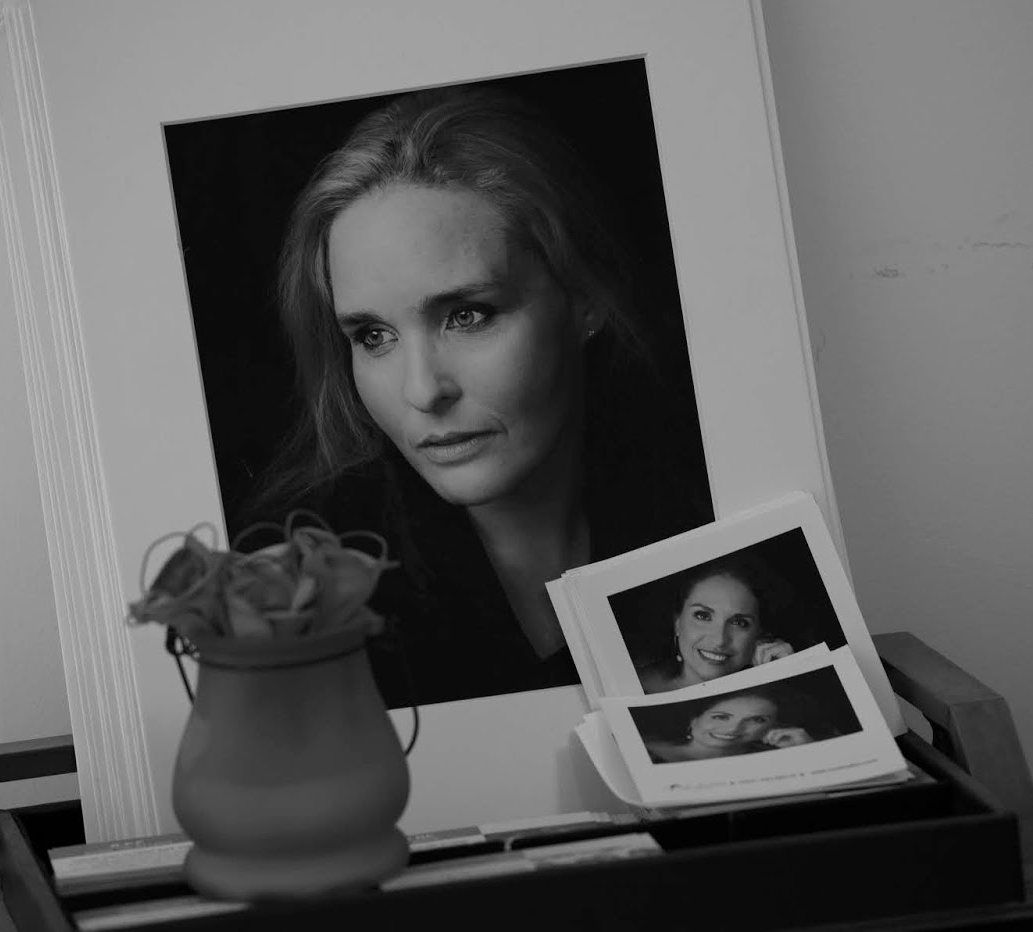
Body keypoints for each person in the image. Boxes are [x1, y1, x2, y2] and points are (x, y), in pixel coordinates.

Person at [236, 86, 713, 707]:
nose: (422, 390)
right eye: (373, 336)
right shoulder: (297, 592)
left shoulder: (717, 498)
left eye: (467, 315)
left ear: (585, 298)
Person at [635, 561, 798, 694]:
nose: (719, 640)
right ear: (677, 623)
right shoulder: (634, 688)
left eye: (739, 623)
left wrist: (789, 677)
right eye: (702, 616)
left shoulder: (772, 694)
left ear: (759, 634)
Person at [642, 691, 814, 764]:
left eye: (757, 720)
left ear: (774, 726)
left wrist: (809, 752)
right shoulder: (647, 754)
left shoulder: (773, 759)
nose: (734, 728)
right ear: (694, 719)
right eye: (721, 717)